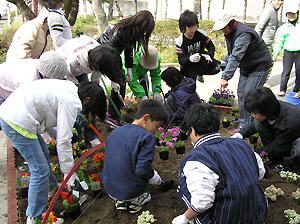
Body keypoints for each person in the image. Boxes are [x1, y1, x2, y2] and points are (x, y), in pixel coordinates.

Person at [0, 80, 107, 224]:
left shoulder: (71, 88)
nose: (89, 112)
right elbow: (63, 141)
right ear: (87, 100)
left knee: (44, 153)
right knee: (40, 169)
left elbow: (50, 120)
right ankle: (34, 217)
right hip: (18, 121)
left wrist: (69, 124)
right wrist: (69, 174)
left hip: (17, 112)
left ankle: (51, 188)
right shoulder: (72, 102)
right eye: (91, 108)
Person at [172, 103, 267, 224]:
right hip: (255, 213)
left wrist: (185, 218)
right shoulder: (240, 144)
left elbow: (202, 202)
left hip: (227, 218)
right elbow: (260, 172)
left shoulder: (197, 160)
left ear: (193, 131)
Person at [100, 99, 169, 214]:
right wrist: (154, 178)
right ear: (146, 118)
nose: (156, 131)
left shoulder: (115, 132)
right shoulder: (146, 137)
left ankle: (120, 201)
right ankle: (135, 202)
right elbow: (143, 169)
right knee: (141, 181)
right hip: (131, 190)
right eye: (157, 126)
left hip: (109, 188)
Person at [213, 10, 272, 128]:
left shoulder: (244, 34)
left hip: (259, 66)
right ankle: (243, 122)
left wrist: (225, 77)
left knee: (250, 95)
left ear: (230, 23)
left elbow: (236, 56)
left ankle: (251, 126)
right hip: (247, 66)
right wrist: (224, 64)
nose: (222, 30)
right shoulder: (230, 32)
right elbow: (231, 52)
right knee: (241, 94)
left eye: (223, 27)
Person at [97, 10, 155, 127]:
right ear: (139, 25)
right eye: (145, 29)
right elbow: (111, 54)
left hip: (113, 55)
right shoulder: (120, 31)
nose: (144, 33)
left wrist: (129, 68)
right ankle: (111, 115)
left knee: (122, 81)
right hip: (102, 54)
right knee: (119, 82)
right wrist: (113, 78)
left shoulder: (132, 32)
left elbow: (129, 51)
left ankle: (115, 114)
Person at [231, 87, 300, 168]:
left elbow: (278, 147)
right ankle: (272, 157)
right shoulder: (271, 108)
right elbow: (254, 125)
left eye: (254, 113)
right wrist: (241, 134)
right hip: (283, 141)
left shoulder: (290, 121)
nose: (253, 115)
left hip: (292, 141)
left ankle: (287, 165)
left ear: (266, 110)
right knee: (258, 123)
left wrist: (252, 152)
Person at [175, 10, 220, 84]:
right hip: (189, 66)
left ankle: (200, 73)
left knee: (218, 67)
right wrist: (190, 59)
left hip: (201, 60)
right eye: (190, 26)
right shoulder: (180, 41)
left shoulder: (201, 34)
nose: (193, 29)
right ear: (184, 26)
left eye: (194, 25)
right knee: (191, 84)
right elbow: (181, 60)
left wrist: (209, 55)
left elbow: (211, 46)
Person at [58, 34, 123, 85]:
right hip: (63, 69)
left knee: (87, 88)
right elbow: (67, 74)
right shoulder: (76, 56)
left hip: (80, 69)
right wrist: (77, 85)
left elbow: (96, 77)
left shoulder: (101, 59)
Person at [0, 51, 67, 99]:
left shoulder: (45, 64)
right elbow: (22, 106)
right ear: (44, 77)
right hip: (4, 88)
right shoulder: (28, 82)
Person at [272, 4, 300, 96]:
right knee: (286, 72)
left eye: (293, 14)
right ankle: (283, 89)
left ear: (297, 13)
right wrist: (275, 54)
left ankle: (296, 90)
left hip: (299, 52)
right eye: (289, 14)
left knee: (299, 72)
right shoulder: (282, 29)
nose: (291, 16)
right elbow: (279, 43)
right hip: (288, 53)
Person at [255, 0, 284, 87]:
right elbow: (259, 27)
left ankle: (262, 82)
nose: (280, 2)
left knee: (268, 63)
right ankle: (261, 83)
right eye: (278, 0)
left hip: (268, 42)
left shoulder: (274, 11)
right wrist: (257, 43)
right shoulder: (269, 10)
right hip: (264, 43)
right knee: (266, 64)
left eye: (282, 0)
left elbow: (278, 27)